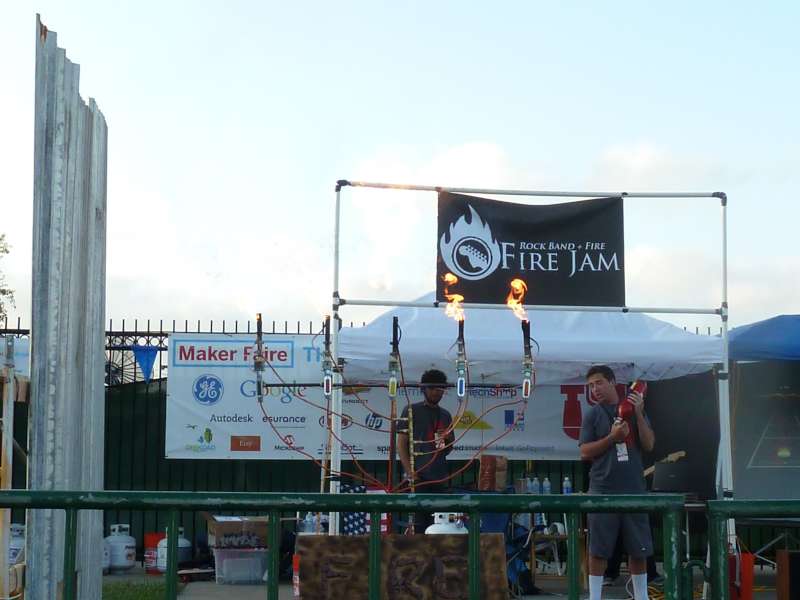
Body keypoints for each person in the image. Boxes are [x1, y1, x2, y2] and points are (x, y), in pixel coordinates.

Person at [579, 365, 655, 600]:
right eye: (591, 385)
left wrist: (639, 414)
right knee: (598, 550)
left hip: (634, 489)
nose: (595, 389)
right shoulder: (593, 414)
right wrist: (612, 438)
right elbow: (584, 452)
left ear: (613, 382)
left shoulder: (632, 408)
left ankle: (641, 596)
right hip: (603, 489)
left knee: (639, 549)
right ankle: (595, 597)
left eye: (599, 383)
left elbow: (649, 444)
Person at [397, 368, 456, 533]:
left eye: (440, 389)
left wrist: (447, 440)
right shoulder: (411, 410)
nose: (436, 392)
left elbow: (448, 449)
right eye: (432, 388)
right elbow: (401, 444)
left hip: (439, 477)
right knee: (419, 525)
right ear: (423, 389)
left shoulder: (445, 415)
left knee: (440, 525)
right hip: (418, 477)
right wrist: (410, 472)